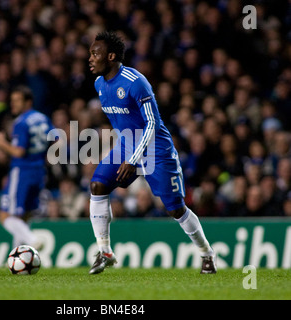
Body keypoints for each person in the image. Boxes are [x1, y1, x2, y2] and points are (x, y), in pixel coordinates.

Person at [87, 31, 216, 274]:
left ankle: (207, 253)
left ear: (111, 56)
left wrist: (134, 160)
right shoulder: (99, 84)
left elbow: (152, 125)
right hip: (127, 145)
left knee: (175, 209)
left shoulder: (136, 82)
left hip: (156, 148)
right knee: (97, 186)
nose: (90, 58)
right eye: (90, 53)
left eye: (95, 53)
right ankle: (105, 252)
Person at [0, 85, 54, 248]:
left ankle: (33, 241)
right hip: (39, 171)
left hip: (22, 171)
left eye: (17, 101)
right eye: (12, 101)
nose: (13, 104)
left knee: (6, 216)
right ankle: (18, 257)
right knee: (23, 217)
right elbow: (57, 139)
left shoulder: (21, 122)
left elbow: (19, 152)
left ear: (28, 102)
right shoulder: (43, 118)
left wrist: (1, 144)